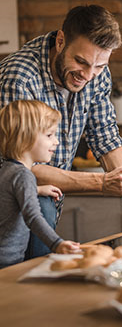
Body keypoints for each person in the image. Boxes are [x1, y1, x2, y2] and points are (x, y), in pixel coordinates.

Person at [0, 4, 122, 259]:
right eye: (80, 62)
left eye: (98, 66)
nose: (87, 75)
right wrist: (103, 183)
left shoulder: (96, 73)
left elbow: (106, 138)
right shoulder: (19, 78)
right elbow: (19, 167)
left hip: (46, 206)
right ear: (61, 41)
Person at [0, 100, 81, 269]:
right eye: (50, 135)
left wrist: (36, 190)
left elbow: (8, 196)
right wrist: (57, 244)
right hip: (8, 263)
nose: (56, 142)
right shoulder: (23, 175)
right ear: (26, 137)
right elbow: (33, 217)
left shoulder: (6, 169)